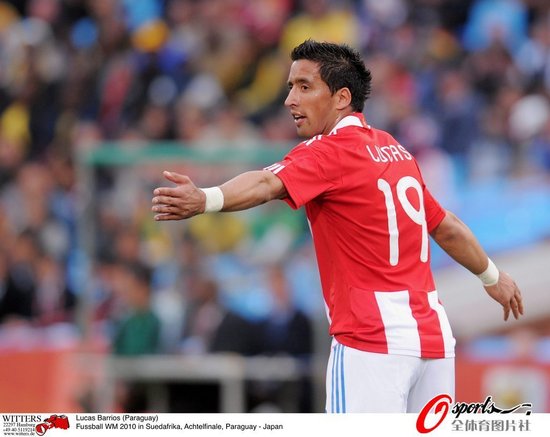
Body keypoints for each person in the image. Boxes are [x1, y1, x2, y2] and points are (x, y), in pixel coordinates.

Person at [151, 39, 524, 413]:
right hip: (434, 341)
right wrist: (493, 277)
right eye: (290, 87)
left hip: (370, 342)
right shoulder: (396, 151)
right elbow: (446, 226)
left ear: (342, 97)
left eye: (304, 87)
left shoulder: (328, 152)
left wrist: (206, 198)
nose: (290, 100)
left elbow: (266, 183)